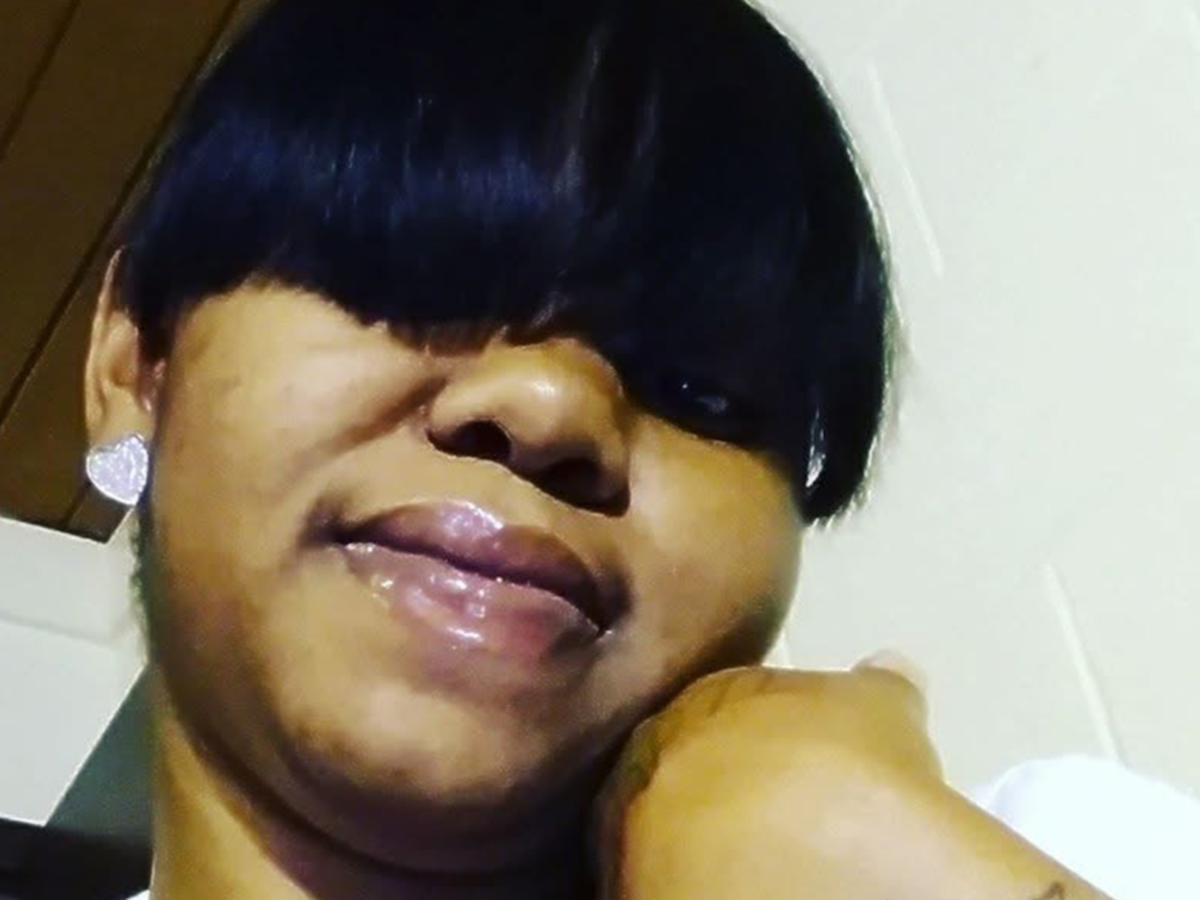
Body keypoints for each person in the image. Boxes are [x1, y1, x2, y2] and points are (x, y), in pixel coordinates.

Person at [80, 0, 1198, 898]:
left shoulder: (1056, 848)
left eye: (700, 390)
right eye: (405, 281)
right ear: (133, 368)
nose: (548, 405)